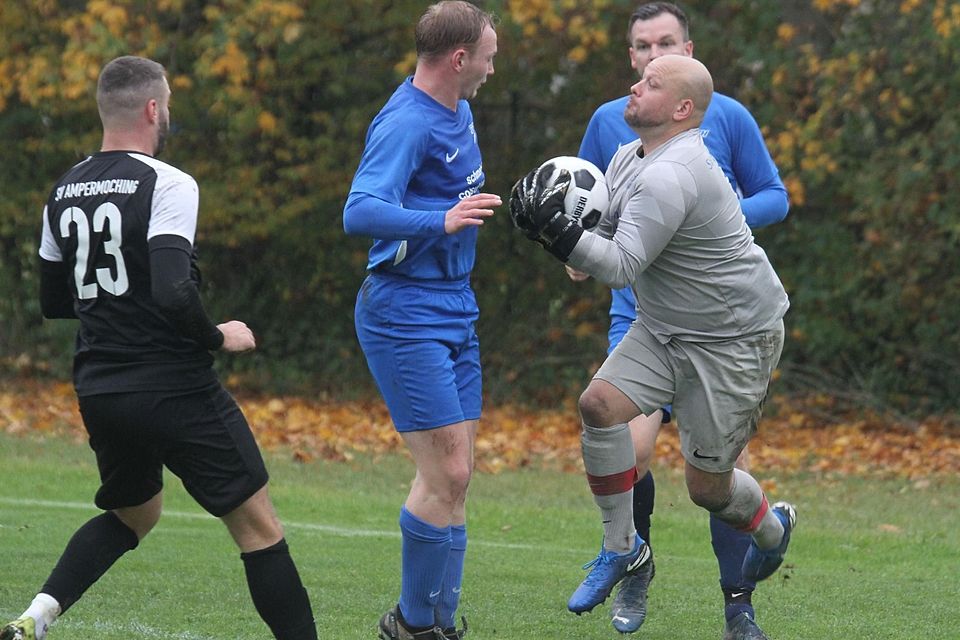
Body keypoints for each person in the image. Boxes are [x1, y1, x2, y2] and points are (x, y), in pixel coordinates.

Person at [0, 56, 318, 640]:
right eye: (166, 104)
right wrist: (221, 335)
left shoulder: (63, 190)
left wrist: (118, 314)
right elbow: (173, 290)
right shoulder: (169, 182)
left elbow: (53, 300)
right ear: (153, 109)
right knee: (259, 529)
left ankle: (34, 618)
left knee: (131, 514)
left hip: (100, 385)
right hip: (173, 385)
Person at [509, 54, 796, 638]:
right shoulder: (627, 156)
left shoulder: (678, 170)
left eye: (650, 84)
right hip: (665, 326)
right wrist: (555, 229)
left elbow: (619, 267)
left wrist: (566, 237)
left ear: (682, 109)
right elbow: (609, 234)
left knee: (707, 489)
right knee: (598, 407)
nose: (633, 86)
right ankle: (623, 549)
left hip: (732, 340)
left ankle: (772, 529)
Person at [342, 3, 500, 639]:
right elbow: (360, 211)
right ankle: (411, 626)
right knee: (446, 474)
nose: (493, 66)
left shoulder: (459, 111)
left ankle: (436, 623)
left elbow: (455, 200)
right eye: (488, 54)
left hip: (455, 304)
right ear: (459, 58)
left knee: (457, 478)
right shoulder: (407, 122)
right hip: (404, 309)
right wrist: (440, 221)